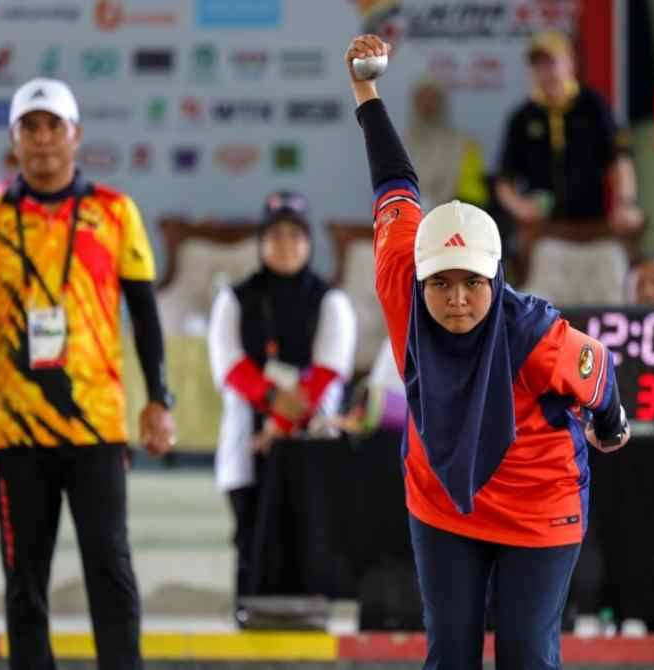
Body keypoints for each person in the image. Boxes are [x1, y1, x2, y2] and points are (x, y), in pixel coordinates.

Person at [347, 35, 631, 668]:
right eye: (441, 283)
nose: (455, 299)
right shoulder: (400, 280)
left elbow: (599, 373)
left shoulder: (531, 335)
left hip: (538, 500)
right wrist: (365, 90)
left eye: (472, 282)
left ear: (496, 278)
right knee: (450, 653)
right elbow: (394, 181)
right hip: (443, 498)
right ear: (419, 279)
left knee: (526, 654)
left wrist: (611, 427)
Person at [0, 77, 176, 670]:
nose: (43, 138)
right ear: (14, 142)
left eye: (54, 126)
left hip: (96, 426)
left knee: (111, 569)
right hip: (15, 431)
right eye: (30, 127)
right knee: (25, 582)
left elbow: (145, 315)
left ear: (76, 136)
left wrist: (159, 399)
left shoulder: (115, 212)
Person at [206, 190, 356, 622]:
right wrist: (273, 404)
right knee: (251, 531)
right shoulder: (235, 299)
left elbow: (329, 370)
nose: (286, 244)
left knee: (308, 531)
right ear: (261, 241)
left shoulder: (331, 301)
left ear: (309, 242)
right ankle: (249, 615)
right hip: (247, 439)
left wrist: (278, 424)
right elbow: (230, 365)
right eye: (275, 235)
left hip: (309, 436)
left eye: (295, 234)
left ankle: (308, 619)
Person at [495, 30, 643, 235]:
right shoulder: (522, 117)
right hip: (543, 230)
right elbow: (504, 180)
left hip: (593, 225)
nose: (546, 72)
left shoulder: (593, 106)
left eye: (552, 62)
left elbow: (619, 159)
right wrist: (521, 208)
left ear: (570, 63)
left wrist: (626, 203)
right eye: (538, 65)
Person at [406, 77, 489, 212]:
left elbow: (474, 199)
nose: (426, 105)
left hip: (451, 221)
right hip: (407, 221)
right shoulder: (399, 145)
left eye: (432, 98)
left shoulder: (465, 145)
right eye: (421, 98)